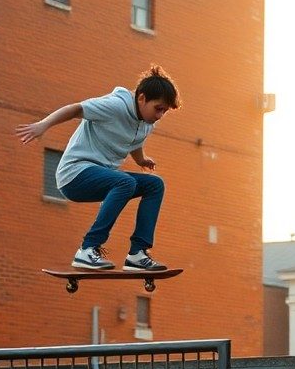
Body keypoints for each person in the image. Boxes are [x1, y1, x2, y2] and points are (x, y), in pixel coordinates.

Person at [16, 65, 181, 271]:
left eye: (165, 111)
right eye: (158, 108)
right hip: (75, 175)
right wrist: (43, 124)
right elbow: (76, 109)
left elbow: (135, 140)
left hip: (102, 176)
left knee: (154, 185)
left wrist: (141, 160)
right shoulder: (114, 105)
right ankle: (88, 249)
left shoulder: (147, 122)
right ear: (142, 98)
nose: (160, 115)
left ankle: (137, 254)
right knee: (125, 182)